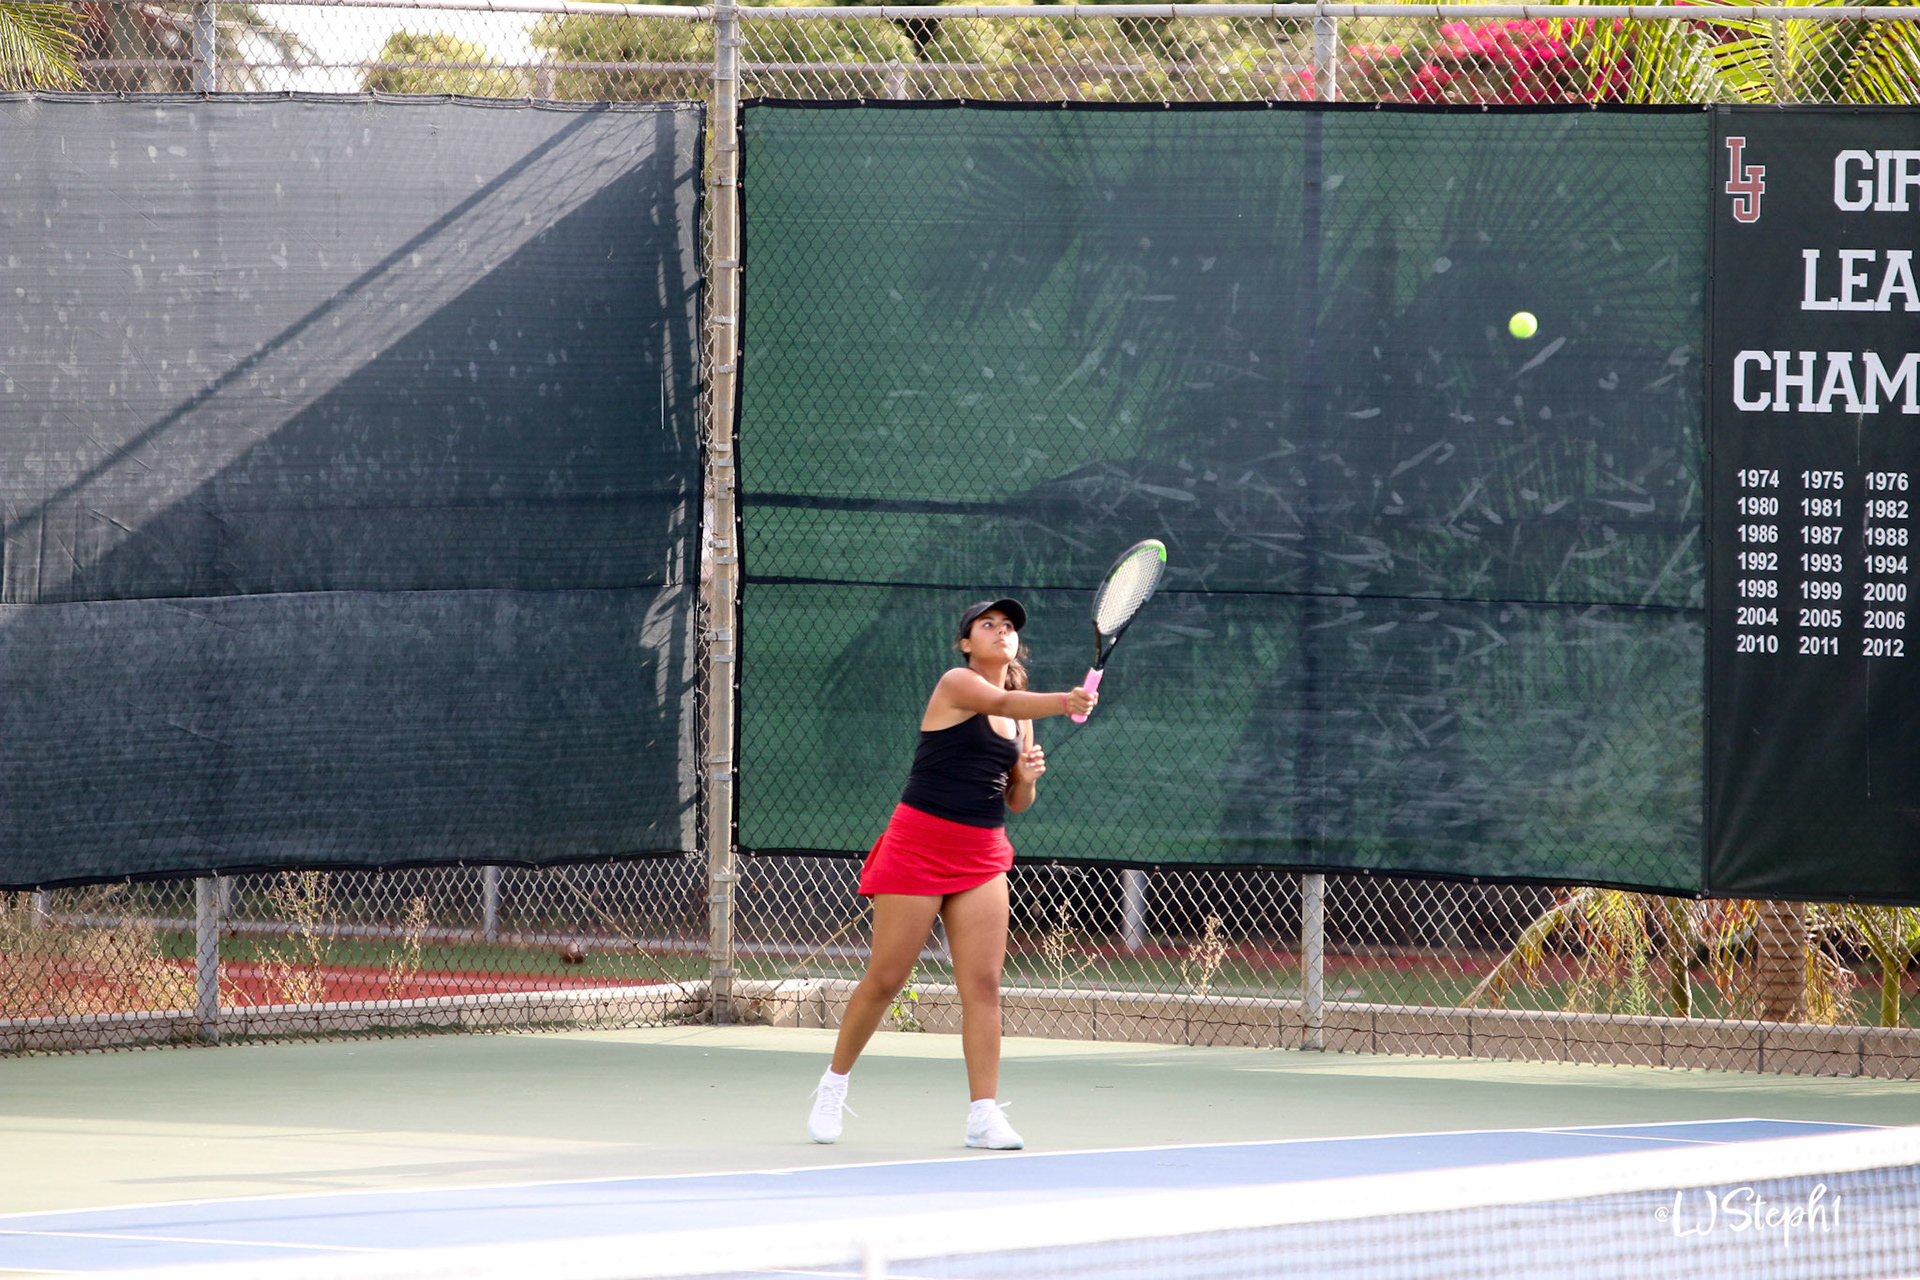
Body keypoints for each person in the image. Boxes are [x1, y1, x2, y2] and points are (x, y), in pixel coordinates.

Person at [807, 598, 1097, 1150]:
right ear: (966, 643)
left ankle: (983, 1115)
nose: (1001, 631)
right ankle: (833, 1085)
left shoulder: (1021, 718)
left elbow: (1016, 802)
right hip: (918, 845)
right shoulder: (957, 683)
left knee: (983, 986)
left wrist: (1027, 777)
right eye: (988, 625)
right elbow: (1001, 698)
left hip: (982, 853)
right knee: (886, 978)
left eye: (1008, 626)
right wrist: (1066, 701)